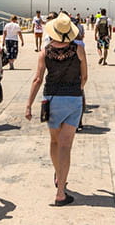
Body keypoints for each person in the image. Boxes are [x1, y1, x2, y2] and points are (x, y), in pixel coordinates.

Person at [25, 13, 87, 205]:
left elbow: (37, 79)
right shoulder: (78, 49)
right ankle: (61, 192)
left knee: (54, 142)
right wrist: (76, 90)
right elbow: (85, 77)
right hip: (73, 99)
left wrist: (28, 104)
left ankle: (58, 173)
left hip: (51, 99)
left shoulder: (45, 52)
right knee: (66, 145)